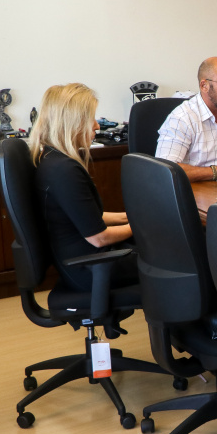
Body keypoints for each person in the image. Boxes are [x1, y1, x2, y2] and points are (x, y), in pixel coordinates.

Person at [29, 83, 137, 295]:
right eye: (92, 119)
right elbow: (99, 238)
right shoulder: (64, 170)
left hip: (85, 262)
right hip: (92, 269)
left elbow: (89, 218)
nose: (97, 126)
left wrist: (130, 217)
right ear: (73, 122)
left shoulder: (52, 160)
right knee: (178, 256)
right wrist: (143, 224)